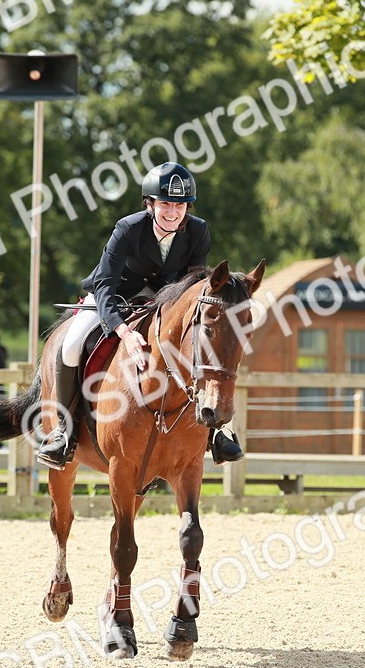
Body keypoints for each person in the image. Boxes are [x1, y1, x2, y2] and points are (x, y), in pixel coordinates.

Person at [36, 161, 244, 469]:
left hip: (164, 302)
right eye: (166, 204)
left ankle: (215, 432)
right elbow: (105, 283)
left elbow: (192, 283)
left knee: (200, 344)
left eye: (180, 205)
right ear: (150, 204)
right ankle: (63, 433)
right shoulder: (128, 228)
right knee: (71, 343)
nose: (173, 212)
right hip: (115, 296)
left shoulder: (198, 231)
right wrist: (123, 331)